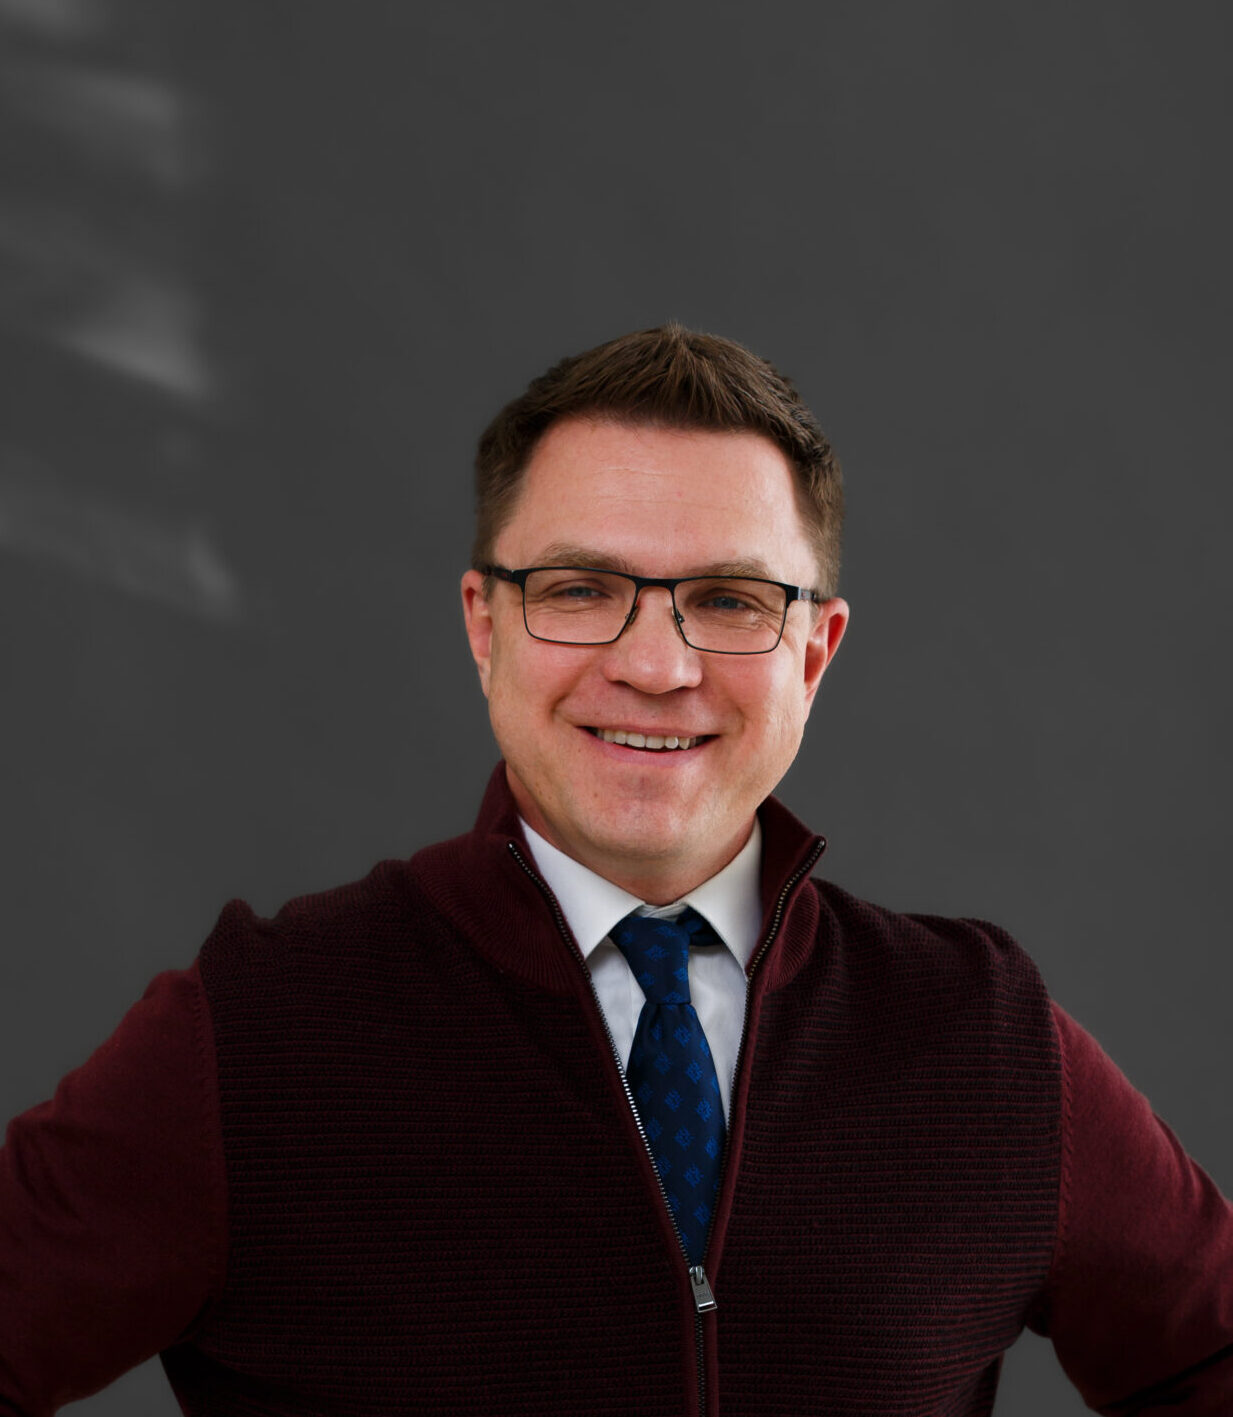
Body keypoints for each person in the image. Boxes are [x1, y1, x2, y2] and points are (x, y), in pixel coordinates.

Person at [1, 325, 1230, 1416]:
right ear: (484, 625)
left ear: (814, 652)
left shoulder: (976, 1035)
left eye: (730, 599)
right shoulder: (265, 1032)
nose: (654, 664)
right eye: (581, 589)